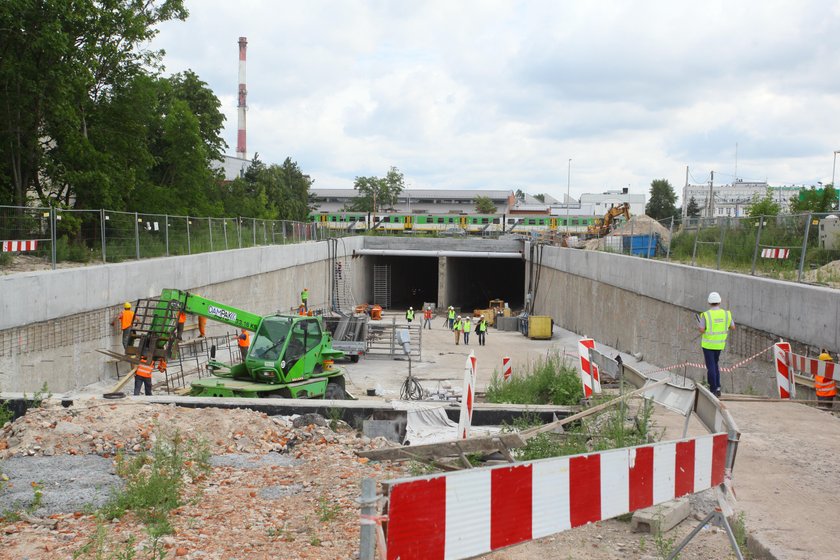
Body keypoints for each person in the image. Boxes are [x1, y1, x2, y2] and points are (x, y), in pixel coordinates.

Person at [697, 291, 735, 397]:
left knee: (711, 367)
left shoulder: (706, 315)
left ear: (709, 302)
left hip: (708, 345)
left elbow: (701, 329)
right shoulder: (726, 314)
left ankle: (713, 389)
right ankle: (718, 388)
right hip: (719, 345)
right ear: (719, 301)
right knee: (715, 365)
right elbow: (732, 327)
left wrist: (700, 325)